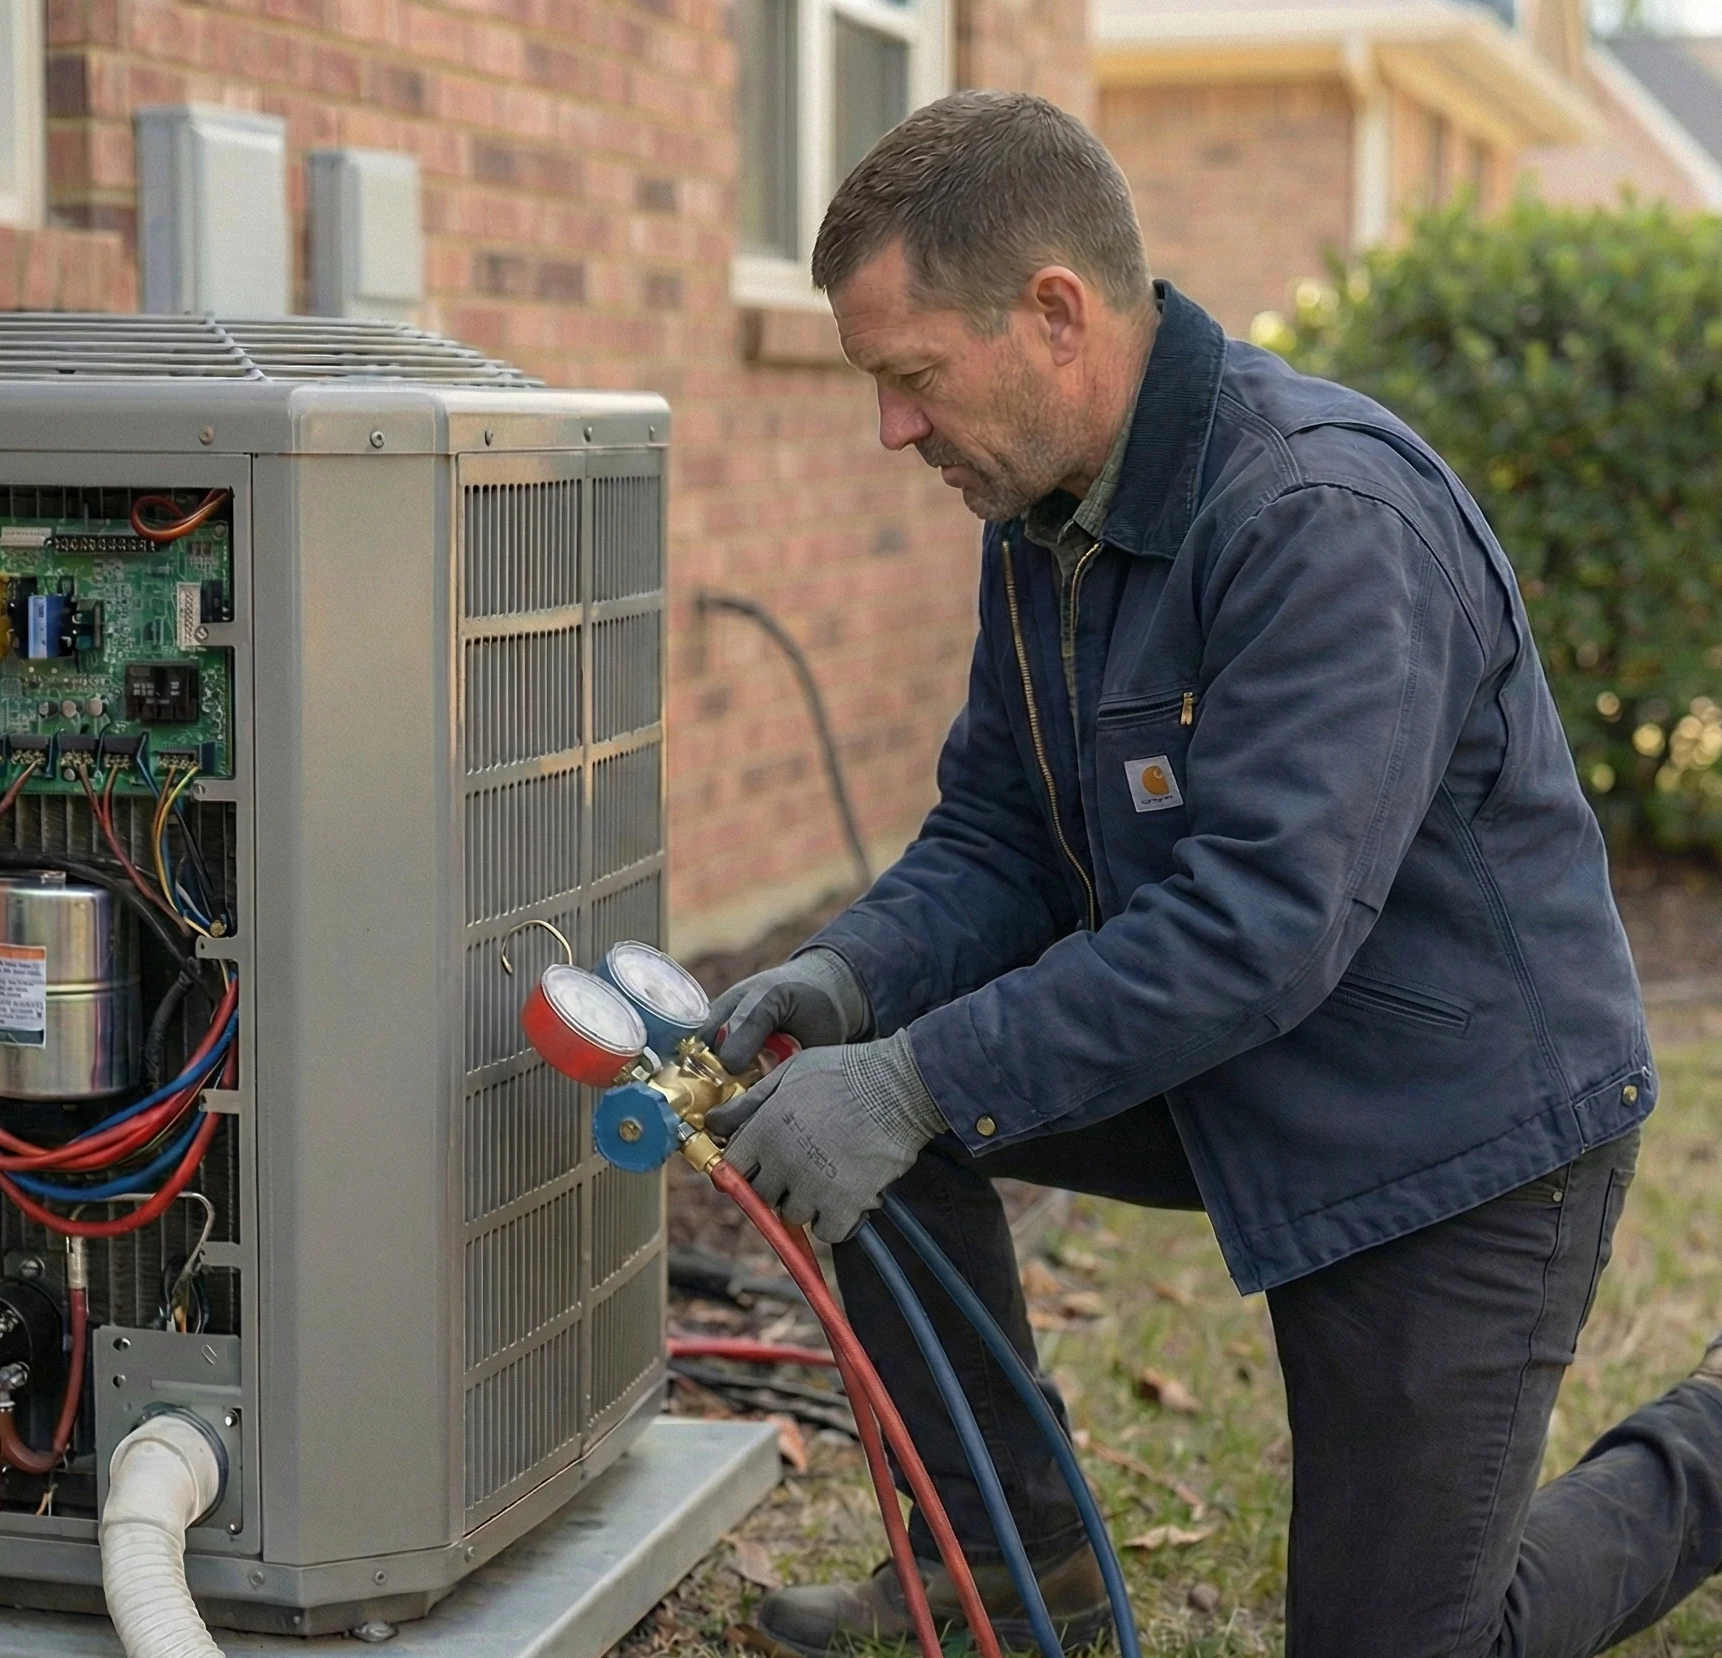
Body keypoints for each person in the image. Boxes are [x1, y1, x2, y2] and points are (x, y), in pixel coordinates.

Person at [703, 90, 1722, 1658]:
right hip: (1244, 1058)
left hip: (1453, 1119)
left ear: (1055, 313)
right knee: (837, 1081)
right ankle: (1008, 1561)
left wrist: (916, 1074)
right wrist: (848, 983)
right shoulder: (1041, 506)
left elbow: (1260, 927)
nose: (889, 430)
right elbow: (996, 831)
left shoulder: (1320, 513)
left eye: (911, 378)